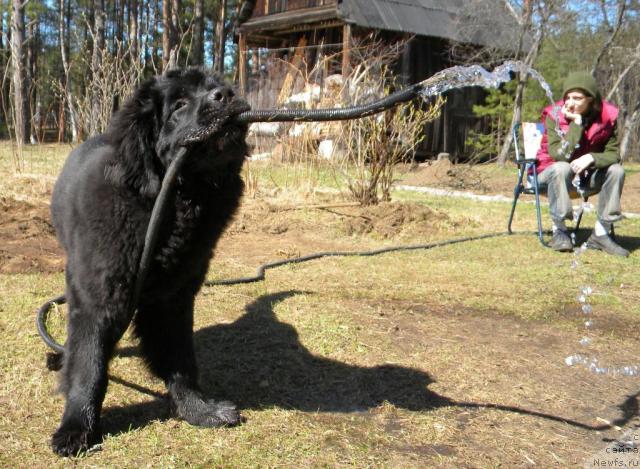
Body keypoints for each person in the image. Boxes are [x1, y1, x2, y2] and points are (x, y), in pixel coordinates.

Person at [535, 71, 628, 257]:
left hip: (584, 178)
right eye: (567, 97)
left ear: (591, 99)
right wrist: (576, 124)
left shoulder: (607, 117)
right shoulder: (555, 115)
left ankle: (601, 234)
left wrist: (592, 158)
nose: (570, 102)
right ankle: (560, 231)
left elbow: (613, 154)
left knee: (617, 171)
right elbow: (558, 155)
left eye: (577, 98)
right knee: (562, 167)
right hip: (549, 176)